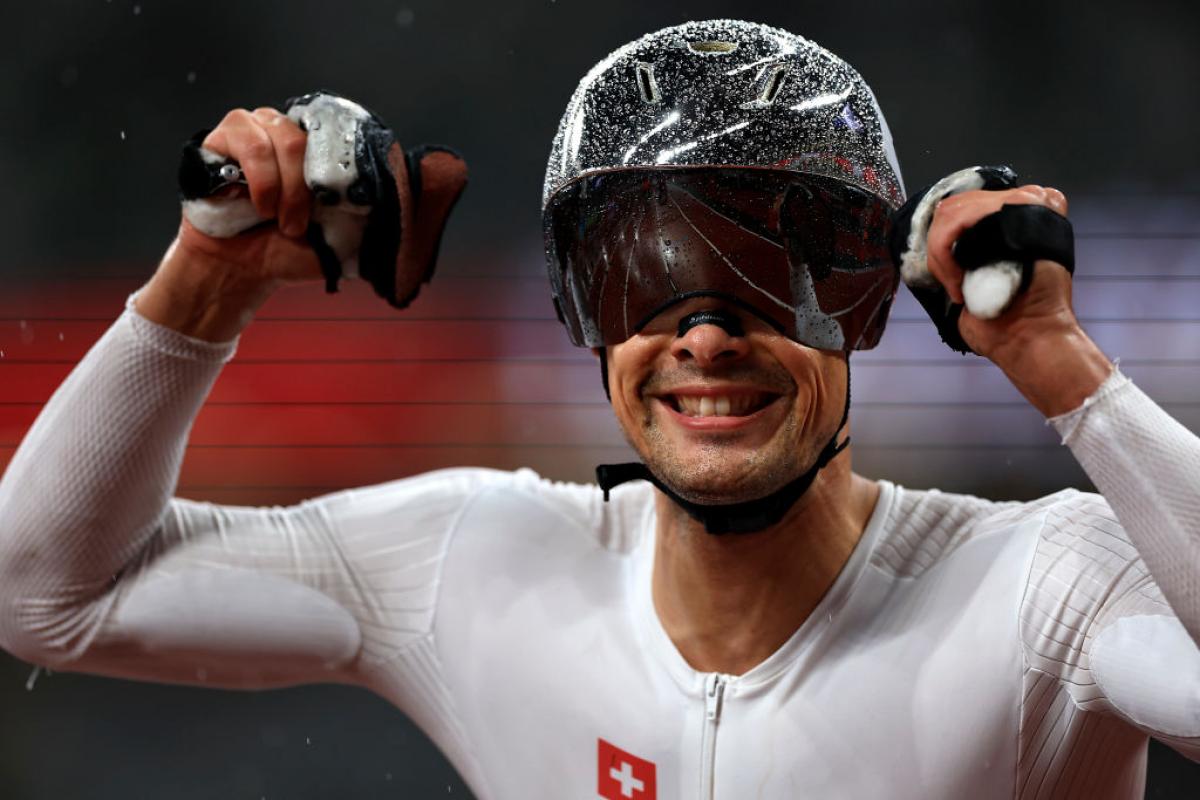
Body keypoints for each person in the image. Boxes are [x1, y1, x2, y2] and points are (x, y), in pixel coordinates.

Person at [0, 18, 1197, 799]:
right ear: (581, 312)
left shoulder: (1048, 589)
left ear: (872, 303)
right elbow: (45, 591)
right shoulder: (475, 559)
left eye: (774, 274)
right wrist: (197, 288)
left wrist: (1060, 366)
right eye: (640, 273)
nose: (706, 333)